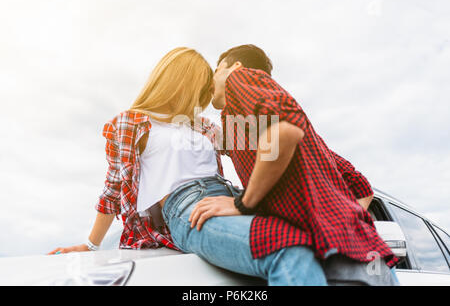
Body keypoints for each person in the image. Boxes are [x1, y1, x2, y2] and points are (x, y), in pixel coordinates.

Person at [48, 47, 328, 286]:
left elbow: (263, 142)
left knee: (308, 238)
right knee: (283, 246)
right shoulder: (131, 123)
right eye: (205, 84)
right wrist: (92, 246)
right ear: (182, 80)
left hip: (229, 199)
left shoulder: (205, 127)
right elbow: (113, 188)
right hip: (188, 210)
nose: (209, 92)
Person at [188, 44, 399, 286]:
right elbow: (361, 186)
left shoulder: (240, 78)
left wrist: (244, 203)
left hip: (339, 262)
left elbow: (283, 131)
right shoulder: (303, 140)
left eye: (216, 70)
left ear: (234, 66)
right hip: (365, 260)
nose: (211, 80)